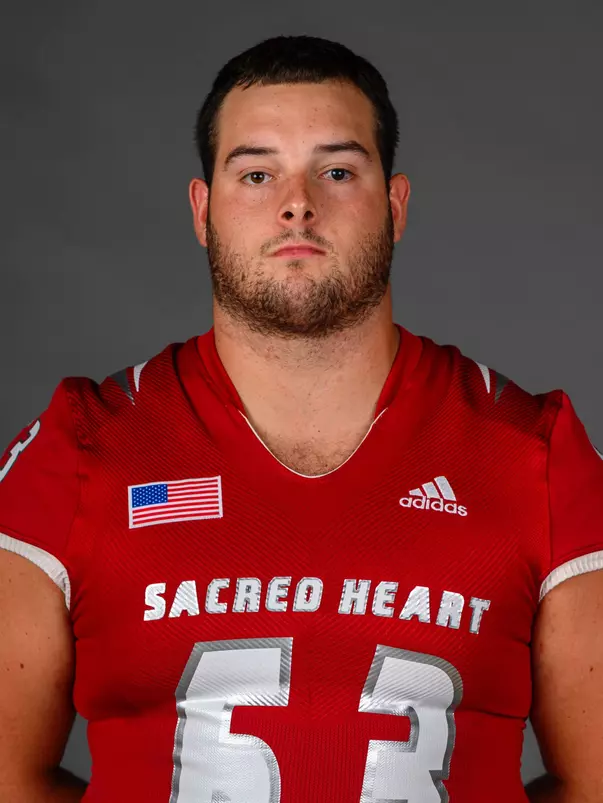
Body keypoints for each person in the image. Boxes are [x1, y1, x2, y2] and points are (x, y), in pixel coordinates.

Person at [0, 34, 601, 803]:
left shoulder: (535, 452)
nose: (297, 202)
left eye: (337, 170)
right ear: (202, 209)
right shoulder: (80, 445)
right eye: (256, 173)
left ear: (394, 206)